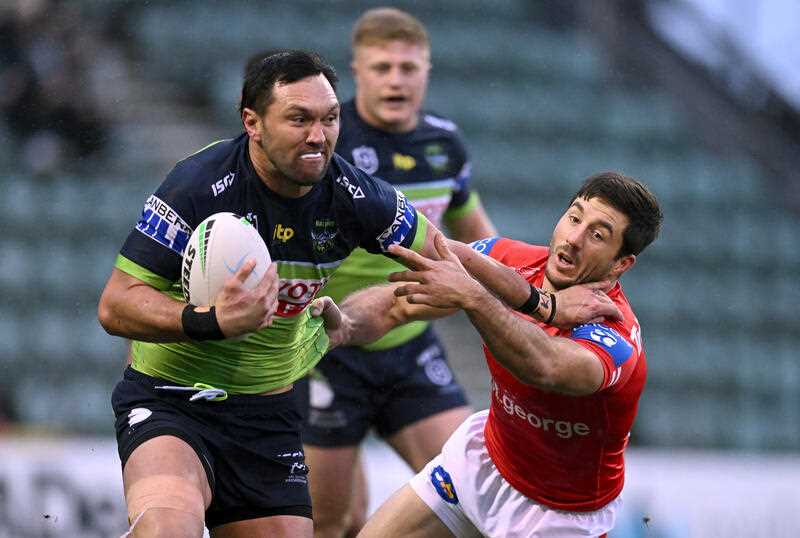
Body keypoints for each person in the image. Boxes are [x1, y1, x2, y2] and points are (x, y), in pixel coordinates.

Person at [96, 49, 451, 538]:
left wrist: (540, 295)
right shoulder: (198, 185)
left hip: (267, 416)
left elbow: (451, 263)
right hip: (173, 401)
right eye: (299, 119)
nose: (318, 136)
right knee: (168, 528)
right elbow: (115, 303)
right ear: (253, 123)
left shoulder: (356, 196)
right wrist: (210, 320)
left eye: (330, 119)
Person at [317, 171, 663, 537]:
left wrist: (474, 296)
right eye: (575, 217)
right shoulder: (508, 261)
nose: (574, 238)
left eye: (597, 235)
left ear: (621, 263)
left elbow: (545, 366)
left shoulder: (616, 333)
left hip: (558, 514)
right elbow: (396, 305)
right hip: (481, 462)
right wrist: (343, 327)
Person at [291, 8, 497, 537]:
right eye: (381, 68)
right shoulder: (325, 144)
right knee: (333, 522)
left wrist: (545, 299)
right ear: (357, 72)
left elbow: (482, 243)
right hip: (327, 351)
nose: (396, 80)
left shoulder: (444, 145)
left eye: (408, 68)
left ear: (426, 71)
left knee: (480, 506)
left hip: (410, 350)